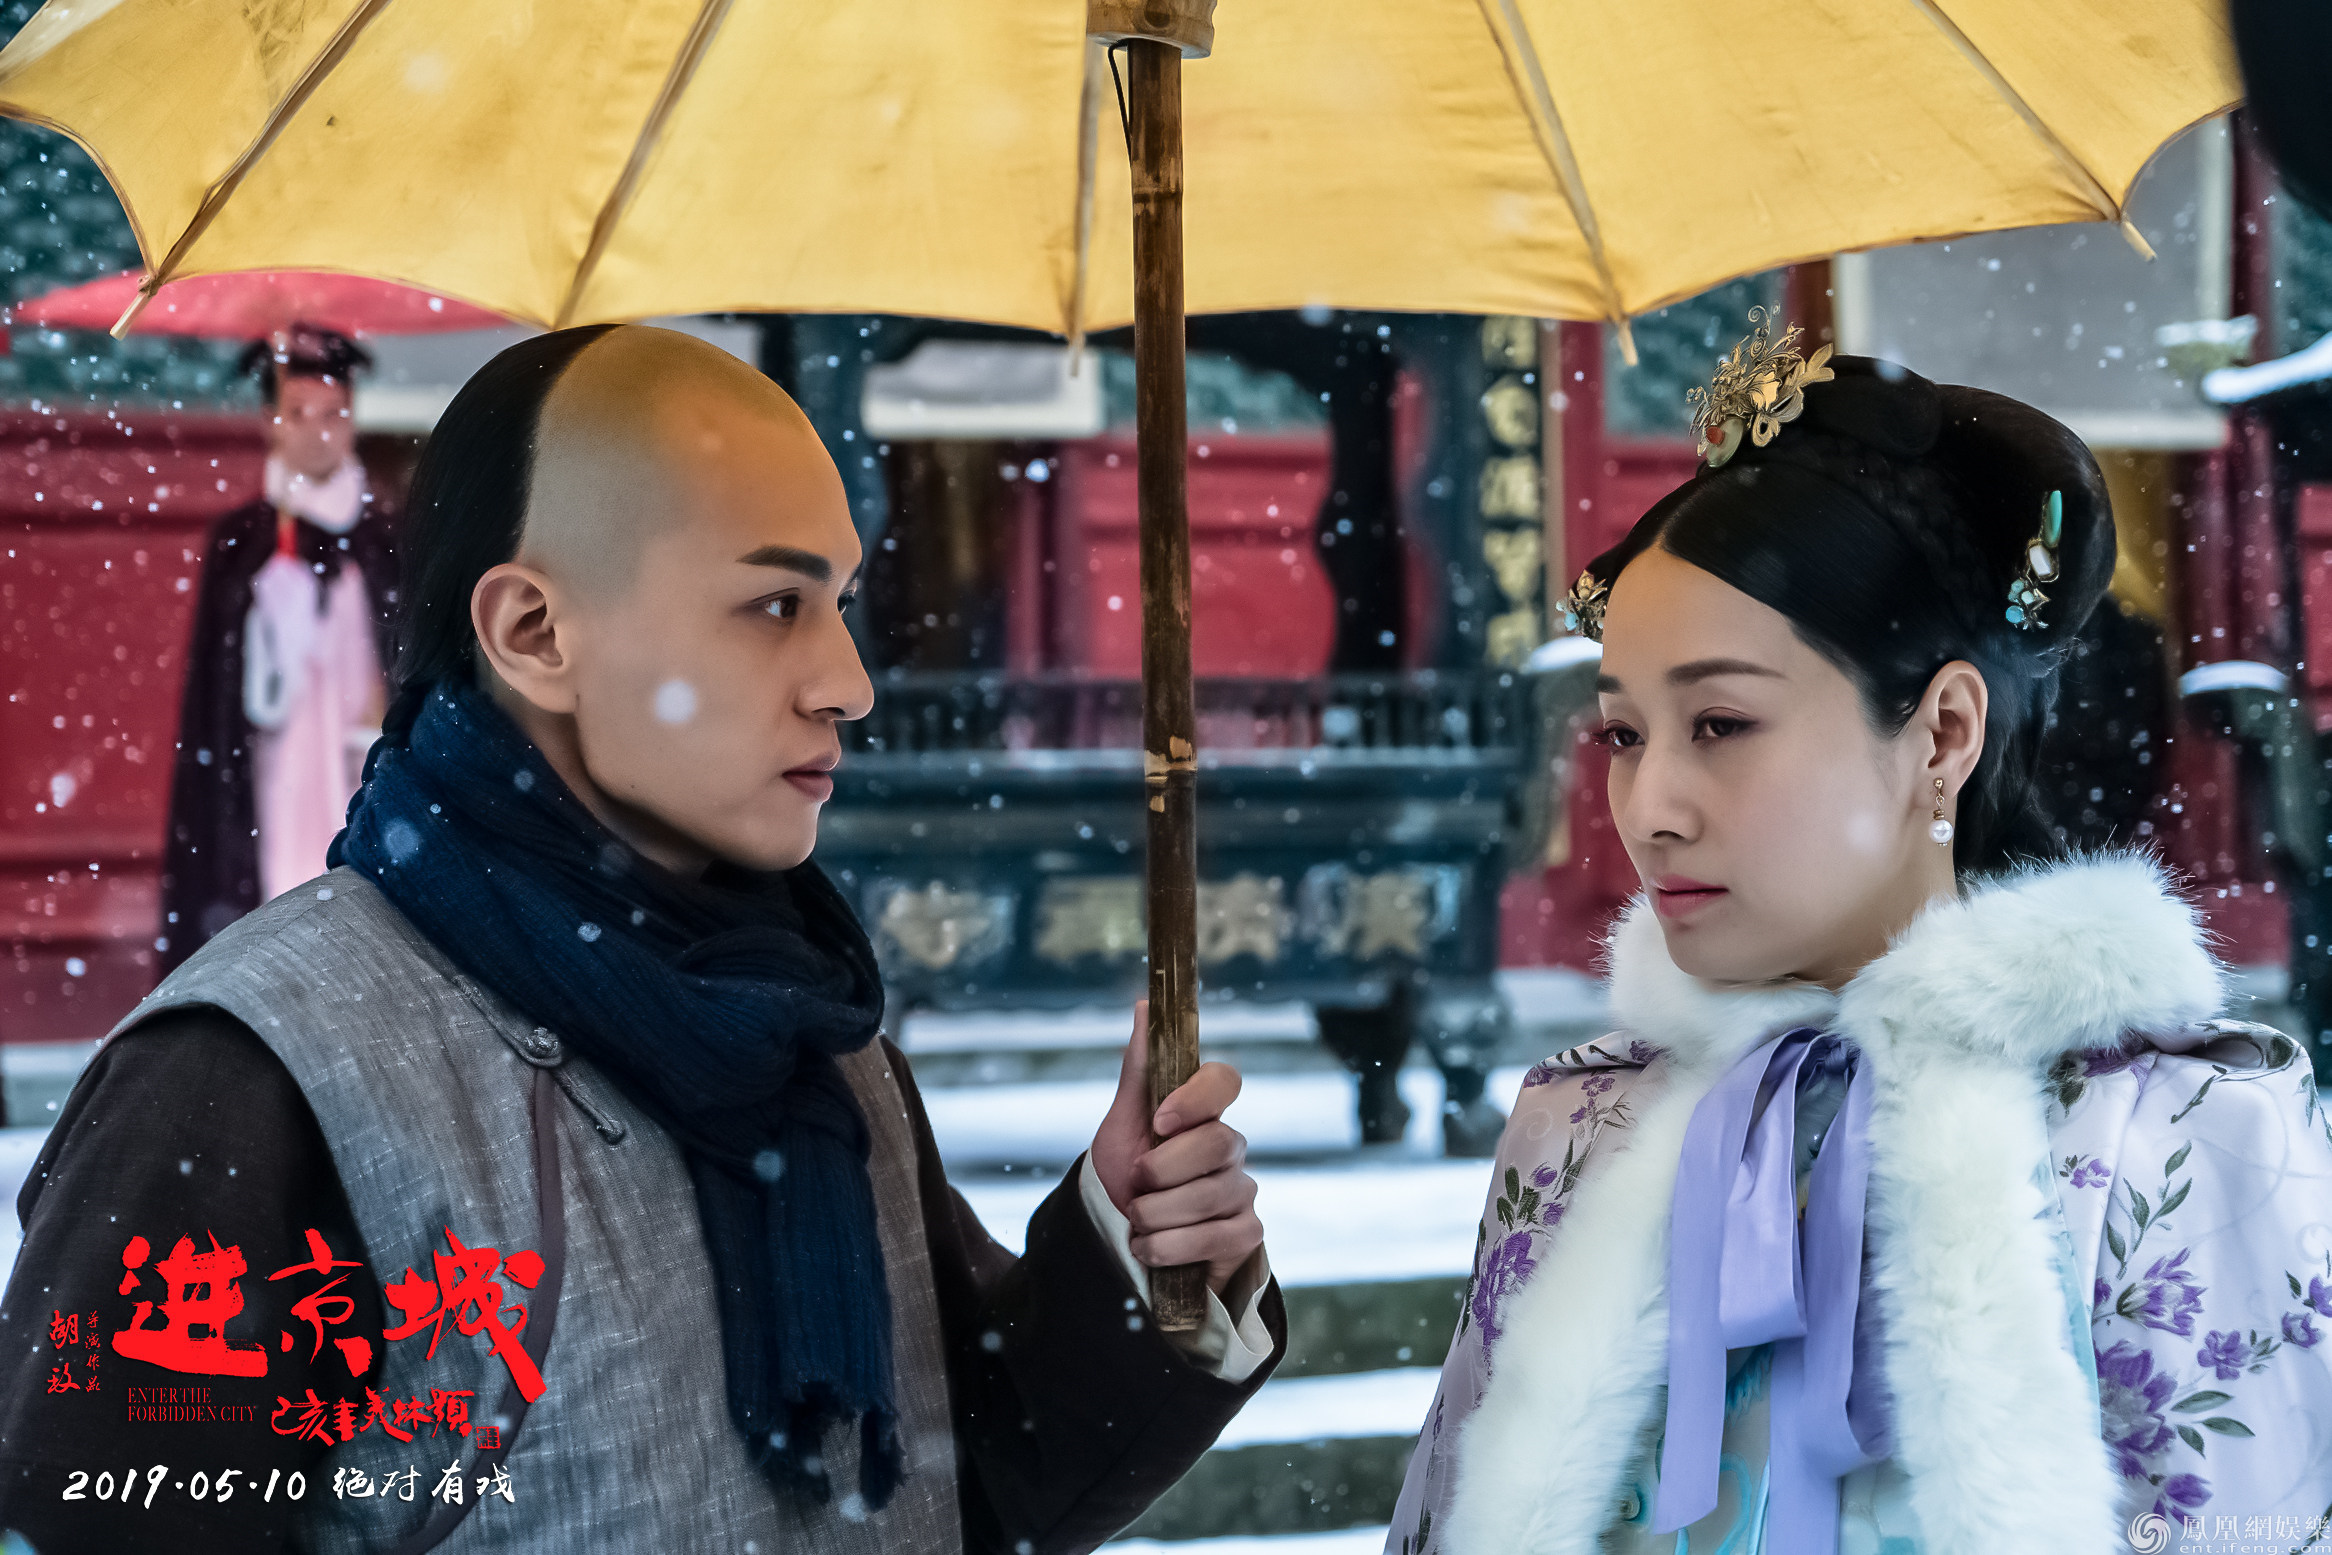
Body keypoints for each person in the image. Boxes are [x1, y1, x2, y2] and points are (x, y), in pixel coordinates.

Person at [1, 324, 1281, 1554]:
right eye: (773, 603)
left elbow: (955, 1488)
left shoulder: (813, 1037)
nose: (849, 681)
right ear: (534, 633)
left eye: (838, 600)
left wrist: (1138, 1251)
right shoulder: (251, 1075)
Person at [1389, 315, 2332, 1554]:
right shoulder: (1577, 1124)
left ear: (1942, 732)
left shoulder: (2177, 1133)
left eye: (1720, 724)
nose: (1648, 807)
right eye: (1622, 733)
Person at [160, 323, 398, 972]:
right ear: (271, 421)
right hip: (273, 770)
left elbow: (405, 647)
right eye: (298, 413)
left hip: (360, 757)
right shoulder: (243, 539)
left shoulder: (386, 535)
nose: (318, 431)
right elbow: (218, 688)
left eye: (333, 414)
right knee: (279, 913)